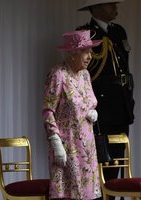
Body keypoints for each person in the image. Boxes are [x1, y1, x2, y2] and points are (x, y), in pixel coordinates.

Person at [77, 1, 135, 199]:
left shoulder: (119, 31)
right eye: (110, 4)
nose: (115, 8)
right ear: (97, 8)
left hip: (121, 105)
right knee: (100, 164)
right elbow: (82, 73)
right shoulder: (86, 33)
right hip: (100, 108)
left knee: (118, 162)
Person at [42, 30, 102, 200]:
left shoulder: (85, 75)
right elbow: (47, 110)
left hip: (87, 145)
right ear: (72, 53)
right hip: (67, 146)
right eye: (85, 51)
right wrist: (55, 141)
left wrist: (92, 111)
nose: (90, 56)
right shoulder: (58, 74)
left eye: (90, 51)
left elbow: (89, 101)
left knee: (88, 194)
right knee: (69, 194)